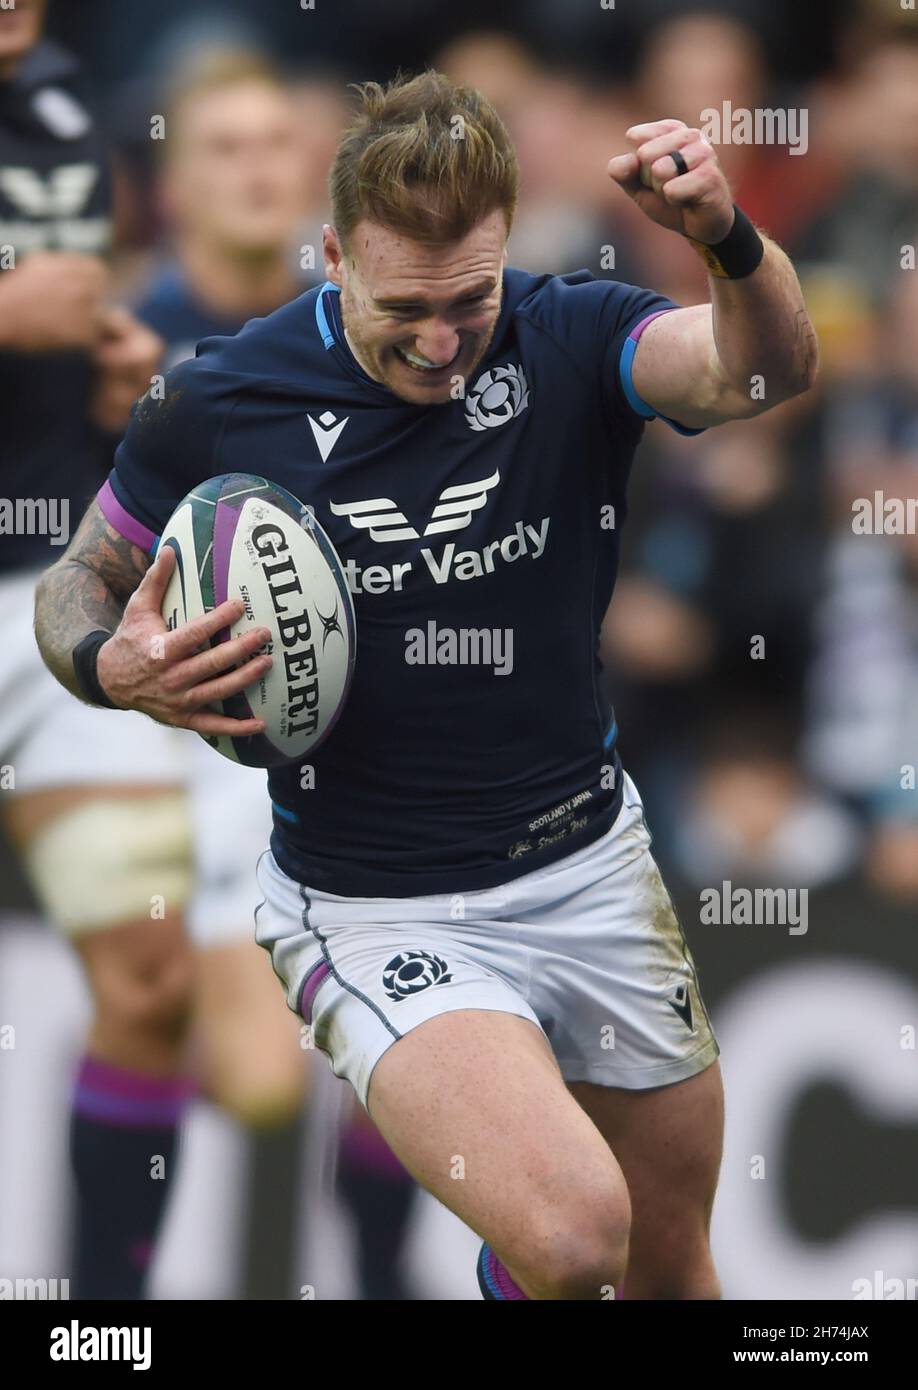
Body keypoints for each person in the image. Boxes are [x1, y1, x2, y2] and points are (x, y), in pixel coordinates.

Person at [34, 70, 818, 1300]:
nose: (445, 341)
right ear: (335, 252)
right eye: (406, 307)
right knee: (569, 1236)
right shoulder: (218, 398)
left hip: (591, 864)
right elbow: (79, 578)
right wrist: (108, 661)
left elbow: (762, 375)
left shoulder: (569, 333)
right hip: (374, 906)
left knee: (671, 1268)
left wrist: (725, 238)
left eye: (471, 299)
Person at [135, 47, 419, 1298]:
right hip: (171, 732)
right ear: (170, 190)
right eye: (223, 148)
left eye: (274, 146)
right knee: (256, 1075)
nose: (255, 169)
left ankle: (377, 1273)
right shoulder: (123, 338)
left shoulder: (377, 331)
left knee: (406, 1059)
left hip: (360, 711)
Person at [0, 0, 188, 1299]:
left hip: (47, 580)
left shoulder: (62, 95)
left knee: (150, 971)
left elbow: (79, 296)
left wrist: (112, 374)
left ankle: (93, 1321)